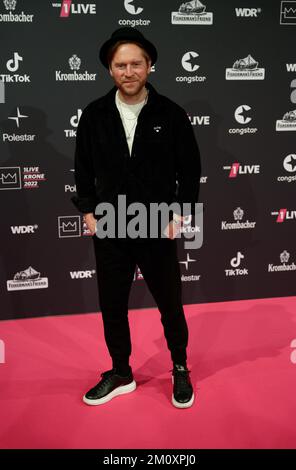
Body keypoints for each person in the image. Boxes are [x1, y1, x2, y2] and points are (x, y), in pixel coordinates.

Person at [72, 27, 201, 408]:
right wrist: (89, 210)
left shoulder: (171, 114)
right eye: (120, 65)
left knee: (169, 302)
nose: (128, 71)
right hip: (110, 223)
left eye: (136, 64)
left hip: (157, 223)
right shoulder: (94, 114)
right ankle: (120, 372)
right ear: (110, 70)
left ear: (149, 66)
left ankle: (179, 366)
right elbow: (83, 167)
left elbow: (190, 169)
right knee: (112, 304)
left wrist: (180, 213)